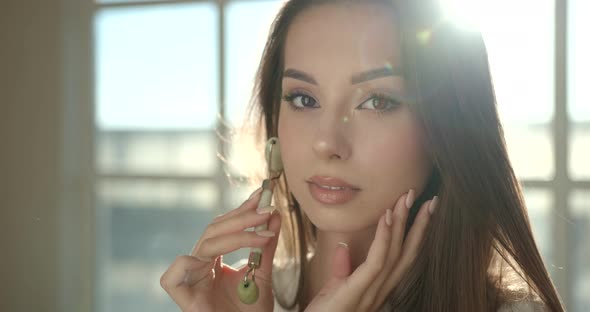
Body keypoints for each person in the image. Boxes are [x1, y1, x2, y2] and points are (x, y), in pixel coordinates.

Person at [160, 0, 565, 311]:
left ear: (446, 131)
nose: (327, 143)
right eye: (303, 98)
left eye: (377, 102)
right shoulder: (236, 300)